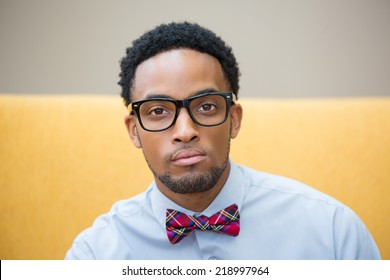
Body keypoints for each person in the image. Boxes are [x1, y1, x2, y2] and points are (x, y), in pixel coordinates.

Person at [65, 22, 380, 260]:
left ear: (234, 119)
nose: (185, 130)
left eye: (205, 106)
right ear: (134, 130)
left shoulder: (332, 231)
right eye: (158, 110)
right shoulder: (95, 255)